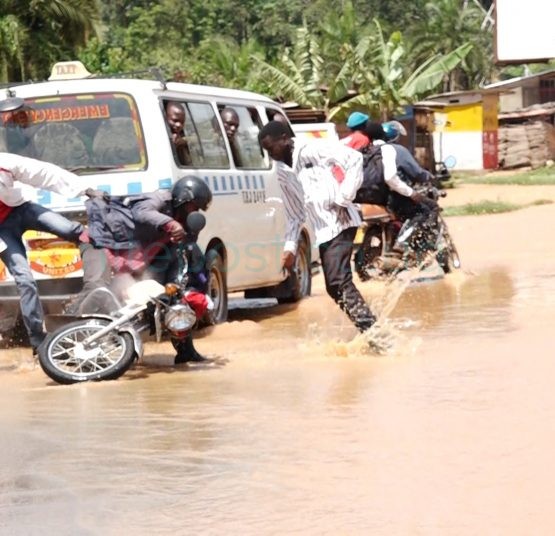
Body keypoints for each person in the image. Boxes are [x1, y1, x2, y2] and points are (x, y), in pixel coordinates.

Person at [258, 120, 377, 337]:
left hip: (340, 220)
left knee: (337, 281)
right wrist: (290, 247)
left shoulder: (312, 149)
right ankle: (371, 328)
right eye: (266, 151)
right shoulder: (282, 172)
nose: (271, 154)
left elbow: (354, 158)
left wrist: (344, 196)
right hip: (322, 230)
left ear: (285, 138)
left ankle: (374, 333)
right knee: (334, 286)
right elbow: (294, 213)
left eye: (271, 147)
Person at [78, 175, 213, 364]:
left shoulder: (184, 226)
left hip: (135, 259)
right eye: (194, 207)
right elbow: (140, 212)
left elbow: (183, 254)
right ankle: (69, 336)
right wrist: (171, 224)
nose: (195, 212)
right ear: (184, 199)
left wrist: (175, 285)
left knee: (172, 300)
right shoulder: (158, 200)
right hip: (100, 243)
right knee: (96, 286)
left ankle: (186, 352)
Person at [0, 152, 104, 354]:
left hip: (21, 210)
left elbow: (43, 173)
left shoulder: (4, 162)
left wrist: (85, 189)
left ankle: (98, 278)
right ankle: (38, 341)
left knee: (73, 231)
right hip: (2, 231)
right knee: (25, 280)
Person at [364, 121, 436, 221]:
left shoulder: (367, 150)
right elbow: (416, 172)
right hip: (395, 195)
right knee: (428, 210)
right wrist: (428, 177)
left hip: (369, 196)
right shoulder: (397, 150)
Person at [165, 101, 193, 166]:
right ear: (165, 117)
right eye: (175, 120)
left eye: (182, 122)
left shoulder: (181, 140)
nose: (179, 125)